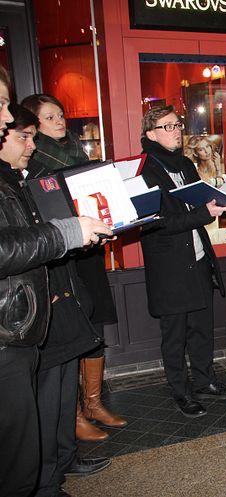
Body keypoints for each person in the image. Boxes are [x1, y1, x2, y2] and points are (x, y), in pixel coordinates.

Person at [0, 67, 113, 497]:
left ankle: (59, 466)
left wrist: (85, 234)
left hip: (50, 302)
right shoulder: (15, 181)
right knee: (27, 427)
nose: (27, 141)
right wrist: (66, 233)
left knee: (54, 397)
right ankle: (47, 478)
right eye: (22, 134)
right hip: (17, 318)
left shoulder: (22, 180)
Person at [22, 93, 126, 442]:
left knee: (93, 321)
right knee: (70, 331)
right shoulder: (33, 164)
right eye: (49, 118)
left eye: (61, 115)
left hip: (88, 251)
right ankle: (75, 415)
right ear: (32, 127)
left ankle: (94, 402)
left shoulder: (78, 154)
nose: (59, 121)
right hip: (60, 256)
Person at [139, 105, 226, 418]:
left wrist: (218, 198)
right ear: (150, 134)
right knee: (175, 335)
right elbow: (156, 223)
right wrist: (201, 212)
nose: (176, 131)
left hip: (197, 258)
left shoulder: (183, 163)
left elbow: (197, 201)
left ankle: (205, 381)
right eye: (167, 127)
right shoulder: (144, 170)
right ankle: (181, 392)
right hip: (170, 268)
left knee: (201, 328)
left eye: (177, 124)